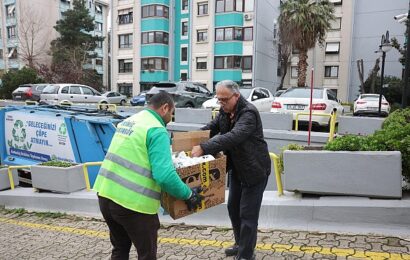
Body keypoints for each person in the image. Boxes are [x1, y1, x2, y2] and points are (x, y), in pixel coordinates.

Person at [94, 92, 204, 260]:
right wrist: (188, 194)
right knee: (146, 255)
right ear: (165, 108)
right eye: (171, 113)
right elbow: (165, 176)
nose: (171, 118)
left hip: (106, 195)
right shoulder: (157, 130)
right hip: (134, 205)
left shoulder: (129, 121)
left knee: (120, 249)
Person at [191, 80, 271, 260]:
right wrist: (190, 139)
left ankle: (245, 255)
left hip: (255, 171)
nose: (221, 103)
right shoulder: (226, 111)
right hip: (237, 169)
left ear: (236, 96)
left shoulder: (248, 113)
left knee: (248, 215)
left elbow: (233, 136)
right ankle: (239, 244)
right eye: (218, 99)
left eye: (224, 99)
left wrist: (204, 147)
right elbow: (212, 128)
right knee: (233, 208)